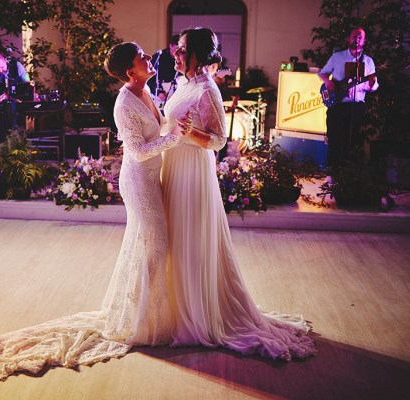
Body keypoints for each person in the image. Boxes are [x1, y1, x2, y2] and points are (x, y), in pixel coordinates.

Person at [0, 42, 182, 392]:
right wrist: (175, 137)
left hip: (152, 178)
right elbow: (137, 152)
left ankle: (144, 312)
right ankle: (142, 319)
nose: (149, 58)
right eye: (142, 56)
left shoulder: (146, 90)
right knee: (156, 243)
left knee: (150, 244)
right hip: (139, 182)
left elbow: (156, 128)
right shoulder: (123, 103)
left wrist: (173, 125)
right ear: (130, 71)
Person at [161, 27, 316, 361]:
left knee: (190, 242)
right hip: (173, 168)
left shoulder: (208, 90)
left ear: (198, 55)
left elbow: (217, 141)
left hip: (191, 172)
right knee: (175, 241)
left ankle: (196, 315)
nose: (175, 51)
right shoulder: (184, 84)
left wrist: (190, 133)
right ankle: (174, 307)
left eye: (182, 48)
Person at [319, 27, 378, 179]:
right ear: (348, 38)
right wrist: (327, 82)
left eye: (360, 37)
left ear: (364, 41)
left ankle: (347, 174)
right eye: (354, 36)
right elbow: (323, 73)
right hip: (337, 104)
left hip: (356, 106)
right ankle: (331, 173)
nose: (357, 39)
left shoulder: (368, 61)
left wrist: (370, 84)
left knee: (351, 139)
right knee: (334, 136)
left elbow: (372, 86)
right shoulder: (337, 57)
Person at [147, 34, 180, 104]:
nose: (178, 54)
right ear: (170, 45)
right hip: (162, 97)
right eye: (176, 49)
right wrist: (159, 92)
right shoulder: (158, 58)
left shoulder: (184, 58)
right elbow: (149, 79)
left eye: (181, 50)